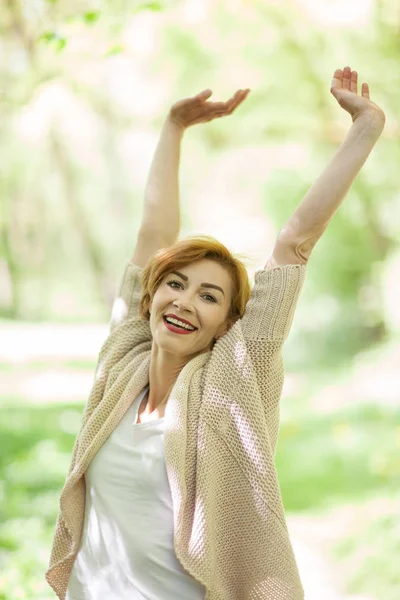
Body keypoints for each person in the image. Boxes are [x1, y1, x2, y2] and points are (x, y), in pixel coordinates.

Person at [46, 66, 385, 600]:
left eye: (209, 295)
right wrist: (174, 127)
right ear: (151, 297)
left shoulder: (234, 375)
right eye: (175, 285)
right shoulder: (123, 359)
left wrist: (365, 127)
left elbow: (295, 242)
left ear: (228, 324)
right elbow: (153, 234)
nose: (184, 301)